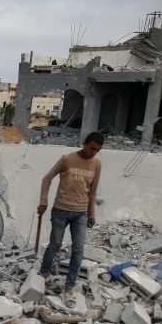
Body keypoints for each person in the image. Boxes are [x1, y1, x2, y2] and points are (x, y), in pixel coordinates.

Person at [37, 131, 104, 308]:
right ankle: (44, 272)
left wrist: (91, 214)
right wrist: (44, 201)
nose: (93, 153)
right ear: (84, 143)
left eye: (97, 150)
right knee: (55, 244)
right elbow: (47, 178)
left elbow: (93, 191)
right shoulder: (67, 159)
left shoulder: (96, 164)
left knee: (78, 250)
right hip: (61, 210)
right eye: (91, 148)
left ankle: (69, 288)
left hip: (80, 214)